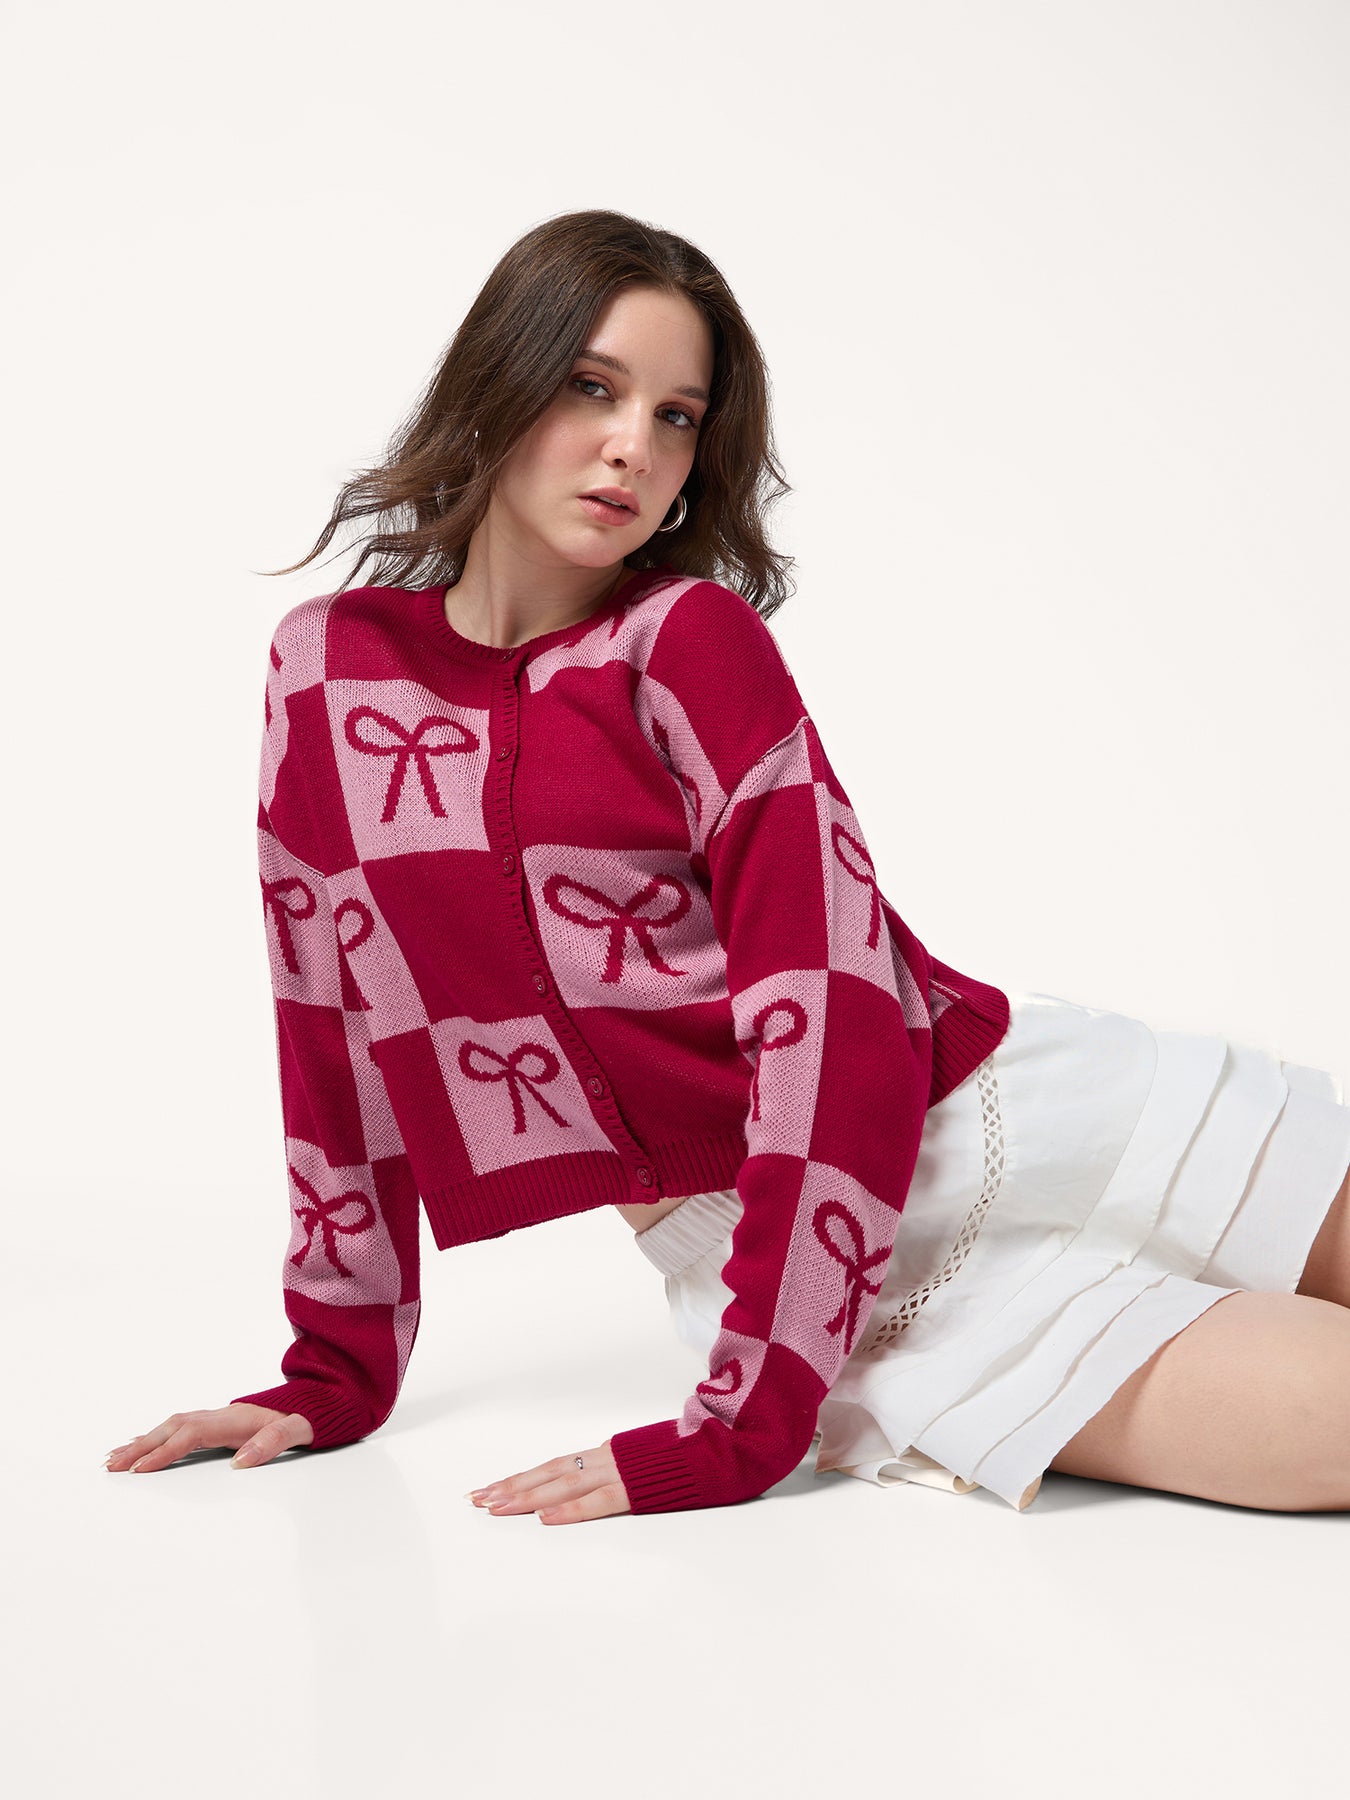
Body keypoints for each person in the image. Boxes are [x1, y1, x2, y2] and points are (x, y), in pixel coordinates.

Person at [107, 209, 1350, 1519]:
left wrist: (742, 1431)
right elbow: (331, 1020)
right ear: (495, 387)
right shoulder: (329, 670)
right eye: (591, 388)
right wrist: (333, 1372)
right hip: (761, 1256)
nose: (632, 448)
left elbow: (832, 1007)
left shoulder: (685, 643)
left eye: (677, 417)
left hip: (994, 1117)